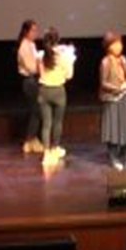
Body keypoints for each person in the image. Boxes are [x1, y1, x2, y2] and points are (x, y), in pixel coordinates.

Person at [99, 31, 126, 169]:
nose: (119, 46)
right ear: (109, 46)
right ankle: (113, 156)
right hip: (112, 99)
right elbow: (103, 83)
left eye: (120, 43)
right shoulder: (105, 62)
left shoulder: (123, 60)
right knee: (113, 128)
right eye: (115, 44)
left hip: (124, 97)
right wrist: (118, 88)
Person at [36, 27, 74, 164]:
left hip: (43, 90)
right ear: (58, 39)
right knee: (57, 122)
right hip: (58, 91)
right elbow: (69, 76)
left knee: (46, 124)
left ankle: (46, 154)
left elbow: (39, 74)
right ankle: (55, 148)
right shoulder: (64, 56)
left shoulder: (40, 55)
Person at [16, 20, 43, 155]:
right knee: (35, 110)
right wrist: (40, 65)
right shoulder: (23, 47)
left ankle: (33, 139)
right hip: (29, 81)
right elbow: (30, 67)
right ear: (26, 32)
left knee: (37, 111)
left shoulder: (32, 45)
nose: (35, 33)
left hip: (35, 80)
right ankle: (29, 140)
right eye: (33, 30)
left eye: (36, 30)